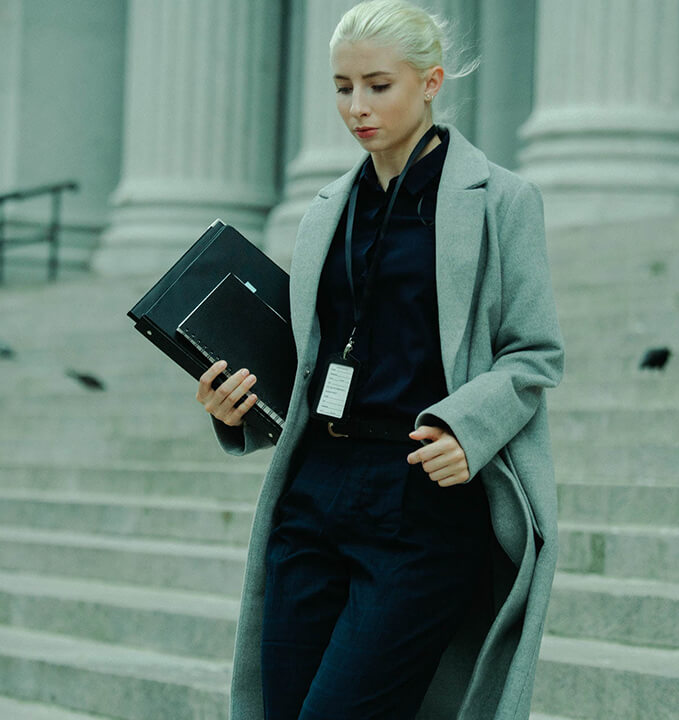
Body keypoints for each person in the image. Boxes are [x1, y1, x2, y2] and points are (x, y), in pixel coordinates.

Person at [196, 1, 564, 718]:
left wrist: (469, 429)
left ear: (430, 83)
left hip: (421, 500)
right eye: (342, 87)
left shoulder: (502, 201)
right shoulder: (324, 210)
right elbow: (310, 361)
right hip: (314, 491)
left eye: (377, 85)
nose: (356, 107)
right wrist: (235, 404)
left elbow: (534, 354)